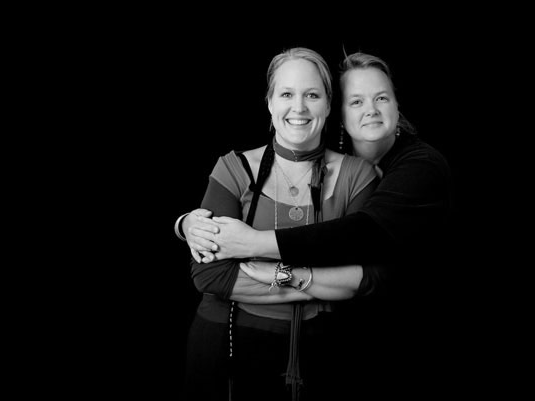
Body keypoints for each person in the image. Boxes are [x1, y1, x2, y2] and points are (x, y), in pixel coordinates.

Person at [179, 51, 455, 398]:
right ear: (269, 102)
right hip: (226, 350)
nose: (299, 106)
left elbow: (366, 264)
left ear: (327, 106)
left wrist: (262, 256)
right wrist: (183, 223)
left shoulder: (393, 169)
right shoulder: (234, 167)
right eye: (286, 93)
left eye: (312, 94)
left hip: (352, 347)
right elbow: (210, 275)